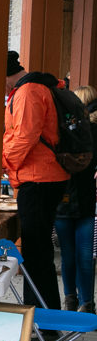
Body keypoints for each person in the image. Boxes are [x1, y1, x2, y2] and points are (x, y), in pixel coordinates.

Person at [3, 50, 69, 311]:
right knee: (38, 253)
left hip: (38, 179)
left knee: (36, 255)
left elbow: (24, 137)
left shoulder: (28, 92)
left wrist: (6, 163)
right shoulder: (37, 87)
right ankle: (43, 317)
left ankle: (39, 321)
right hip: (44, 177)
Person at [55, 85, 97, 313]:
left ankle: (70, 299)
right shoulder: (93, 131)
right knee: (84, 255)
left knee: (69, 255)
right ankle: (86, 304)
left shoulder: (61, 130)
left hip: (62, 198)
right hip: (86, 198)